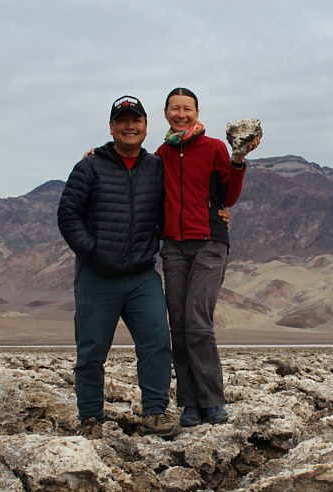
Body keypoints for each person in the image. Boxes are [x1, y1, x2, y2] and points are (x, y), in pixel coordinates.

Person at [57, 94, 179, 440]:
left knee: (156, 339)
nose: (130, 126)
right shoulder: (89, 167)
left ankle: (155, 412)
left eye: (136, 120)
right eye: (122, 121)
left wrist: (219, 212)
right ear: (111, 127)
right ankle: (90, 417)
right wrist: (92, 252)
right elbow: (68, 214)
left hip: (141, 274)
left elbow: (184, 195)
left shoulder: (157, 167)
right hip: (97, 275)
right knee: (92, 349)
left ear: (145, 125)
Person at [155, 87, 259, 427]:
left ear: (197, 112)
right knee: (180, 328)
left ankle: (213, 401)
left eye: (187, 108)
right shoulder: (161, 155)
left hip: (209, 243)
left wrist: (238, 159)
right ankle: (189, 404)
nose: (181, 114)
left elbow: (228, 195)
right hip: (173, 247)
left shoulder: (214, 148)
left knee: (198, 323)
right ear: (166, 113)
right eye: (175, 109)